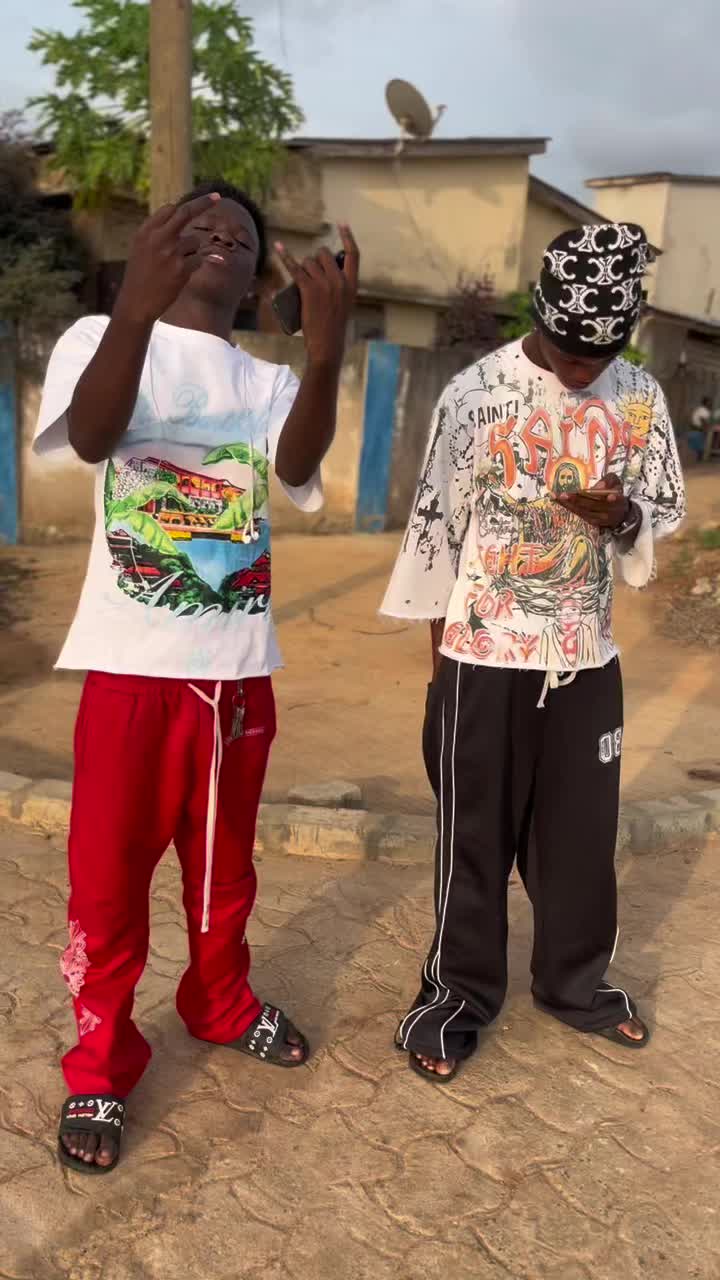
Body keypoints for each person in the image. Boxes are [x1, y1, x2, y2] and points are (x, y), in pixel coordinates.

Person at [34, 180, 359, 1170]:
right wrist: (132, 309)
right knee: (108, 884)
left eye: (242, 233)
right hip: (131, 674)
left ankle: (217, 1001)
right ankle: (100, 1061)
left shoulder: (261, 379)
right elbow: (94, 437)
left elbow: (295, 468)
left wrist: (324, 355)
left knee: (225, 872)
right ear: (157, 245)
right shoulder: (99, 337)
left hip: (238, 677)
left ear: (257, 275)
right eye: (201, 224)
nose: (222, 235)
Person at [382, 222, 685, 1082]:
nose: (582, 371)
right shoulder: (474, 394)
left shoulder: (639, 399)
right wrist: (442, 677)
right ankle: (456, 998)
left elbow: (660, 508)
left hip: (586, 655)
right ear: (541, 317)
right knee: (473, 837)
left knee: (581, 839)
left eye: (600, 354)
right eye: (567, 350)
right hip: (482, 654)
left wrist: (622, 517)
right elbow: (434, 533)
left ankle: (576, 986)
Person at [688, 395, 712, 462]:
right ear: (706, 403)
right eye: (709, 402)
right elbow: (703, 420)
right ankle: (698, 461)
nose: (710, 404)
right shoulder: (704, 410)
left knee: (695, 447)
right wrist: (706, 430)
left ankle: (696, 460)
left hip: (694, 430)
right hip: (698, 431)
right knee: (698, 448)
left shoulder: (699, 409)